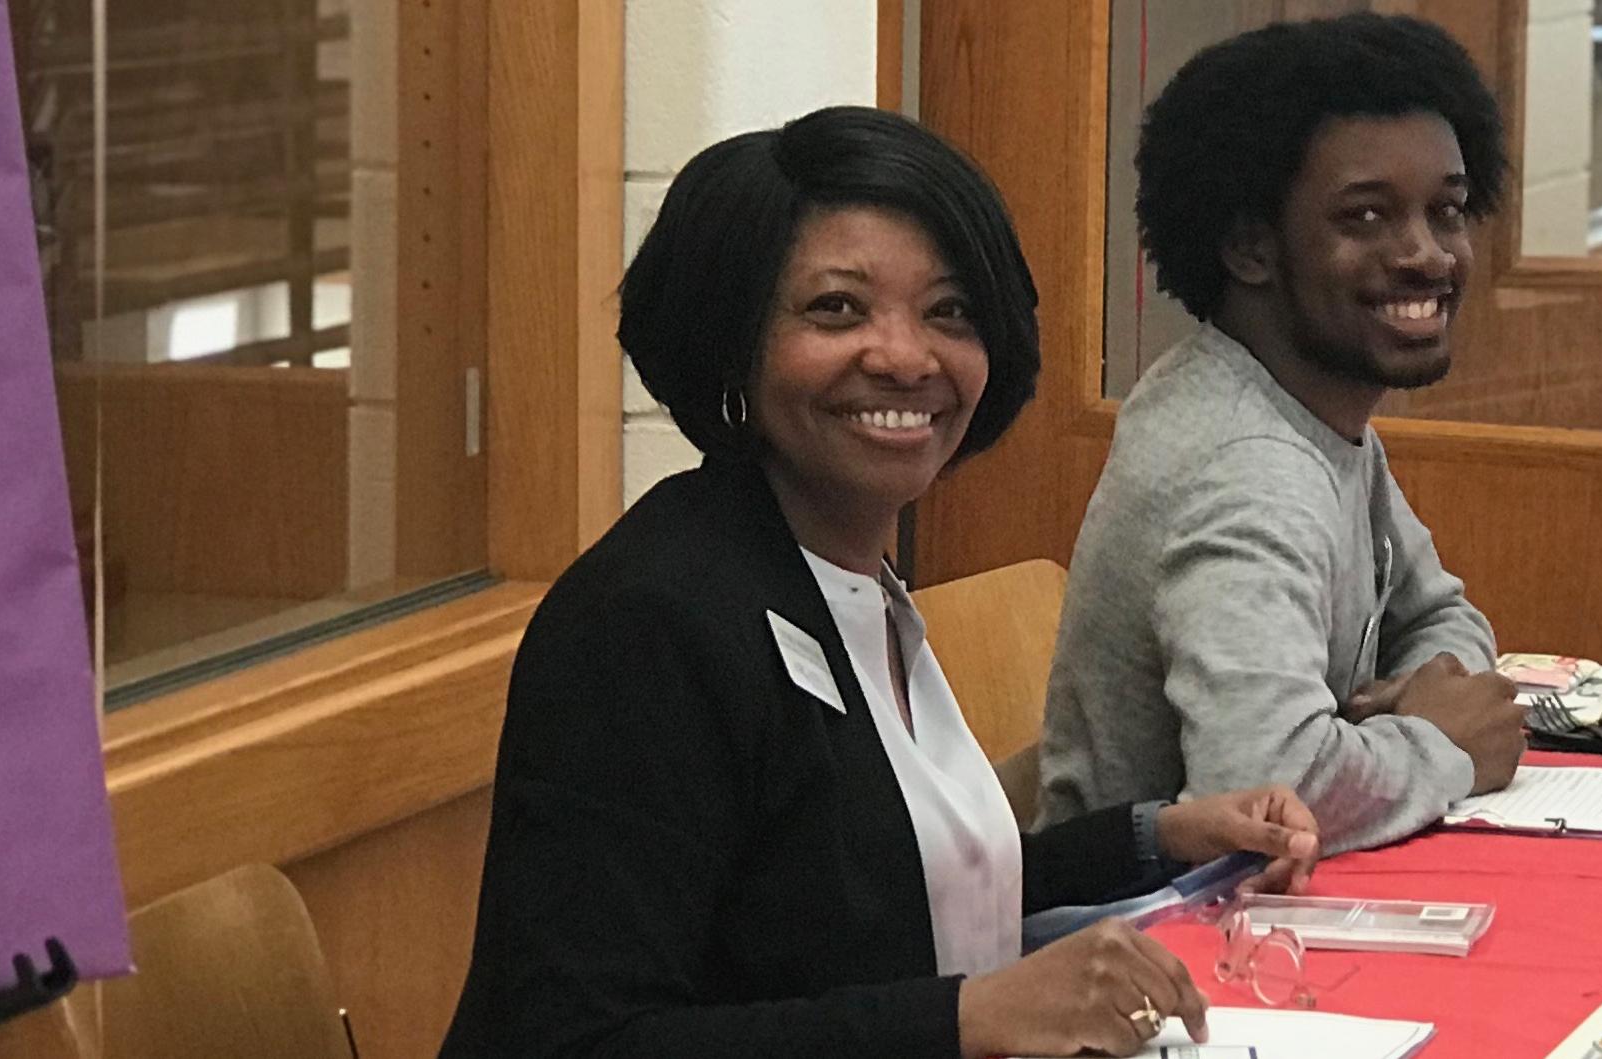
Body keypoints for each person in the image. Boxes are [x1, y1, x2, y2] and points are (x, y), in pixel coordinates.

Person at [439, 107, 1326, 1059]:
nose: (906, 357)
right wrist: (967, 1018)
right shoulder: (647, 622)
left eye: (949, 311)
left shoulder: (843, 578)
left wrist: (1157, 838)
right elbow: (573, 1039)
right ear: (730, 336)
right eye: (837, 309)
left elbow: (869, 896)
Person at [1029, 13, 1527, 854]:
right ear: (1250, 246)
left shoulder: (1304, 408)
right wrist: (1441, 745)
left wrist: (1424, 692)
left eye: (1446, 210)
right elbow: (1258, 787)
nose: (1429, 254)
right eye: (1366, 217)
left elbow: (1440, 613)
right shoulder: (1247, 467)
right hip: (1146, 937)